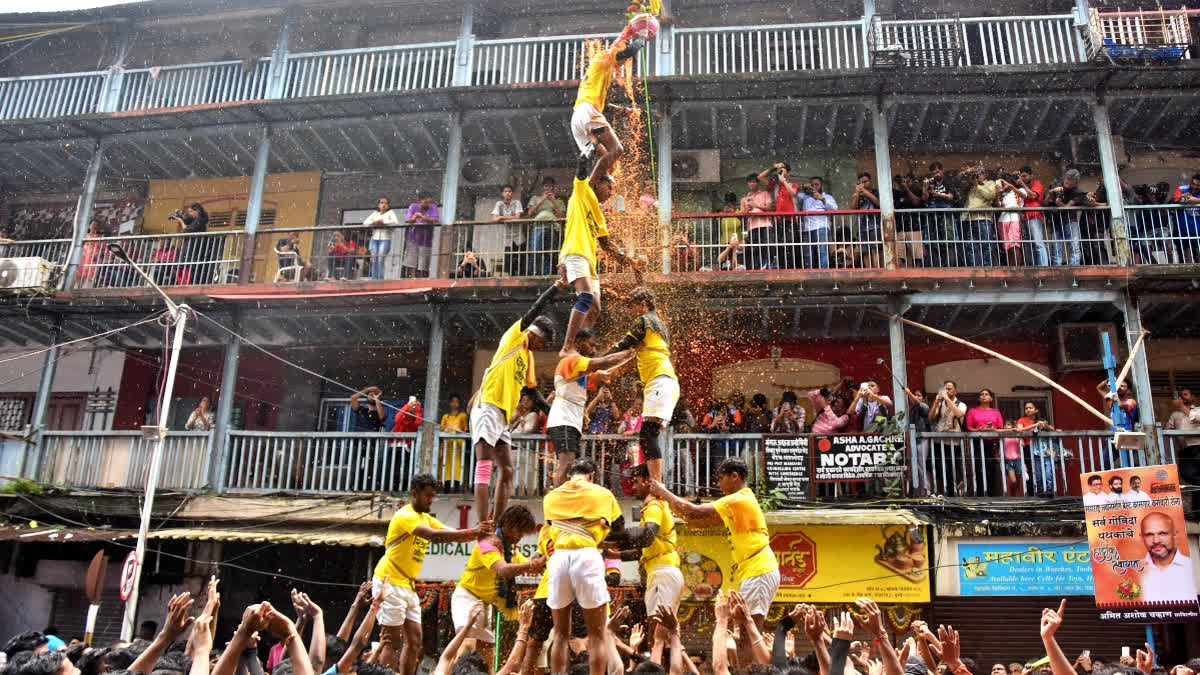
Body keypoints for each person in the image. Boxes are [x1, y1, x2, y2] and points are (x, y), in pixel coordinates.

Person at [373, 473, 494, 675]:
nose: (431, 500)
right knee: (391, 641)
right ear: (414, 494)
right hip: (389, 581)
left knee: (415, 642)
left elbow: (452, 535)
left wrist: (477, 533)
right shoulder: (406, 515)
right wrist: (473, 532)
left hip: (407, 585)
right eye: (428, 496)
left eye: (433, 496)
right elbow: (435, 536)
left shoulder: (426, 518)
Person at [650, 457, 778, 633]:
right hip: (754, 571)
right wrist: (671, 506)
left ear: (734, 476)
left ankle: (757, 662)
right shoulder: (737, 503)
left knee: (750, 633)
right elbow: (695, 521)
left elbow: (692, 511)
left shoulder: (738, 499)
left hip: (759, 570)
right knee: (744, 633)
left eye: (720, 479)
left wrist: (662, 492)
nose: (718, 484)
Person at [469, 280, 560, 525]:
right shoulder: (515, 337)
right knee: (485, 465)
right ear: (534, 333)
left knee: (507, 470)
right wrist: (556, 287)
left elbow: (533, 393)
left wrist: (553, 413)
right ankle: (482, 522)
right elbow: (535, 309)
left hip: (502, 417)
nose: (543, 347)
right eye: (543, 342)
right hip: (488, 406)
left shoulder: (528, 358)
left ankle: (496, 520)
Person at [542, 458, 623, 675]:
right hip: (587, 555)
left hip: (559, 558)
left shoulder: (551, 496)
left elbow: (555, 526)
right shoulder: (602, 493)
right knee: (597, 634)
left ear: (569, 476)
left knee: (560, 634)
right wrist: (602, 526)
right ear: (592, 476)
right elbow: (620, 527)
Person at [558, 145, 636, 358]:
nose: (611, 194)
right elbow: (590, 167)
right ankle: (567, 347)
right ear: (599, 182)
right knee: (585, 298)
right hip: (575, 253)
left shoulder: (600, 216)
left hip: (589, 263)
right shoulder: (583, 193)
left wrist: (631, 262)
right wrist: (592, 149)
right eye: (610, 188)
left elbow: (608, 246)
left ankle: (582, 347)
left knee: (595, 309)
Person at [604, 287, 679, 483]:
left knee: (647, 435)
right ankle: (655, 483)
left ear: (643, 304)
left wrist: (595, 362)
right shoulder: (658, 322)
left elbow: (623, 344)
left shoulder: (644, 320)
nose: (629, 311)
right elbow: (634, 352)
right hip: (662, 381)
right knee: (648, 435)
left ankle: (656, 484)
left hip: (659, 381)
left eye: (632, 306)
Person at [548, 327, 634, 487]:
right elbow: (604, 362)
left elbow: (607, 371)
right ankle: (558, 501)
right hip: (563, 420)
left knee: (571, 463)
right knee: (566, 463)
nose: (594, 350)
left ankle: (567, 497)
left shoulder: (581, 374)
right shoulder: (571, 361)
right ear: (579, 343)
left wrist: (626, 360)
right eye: (591, 345)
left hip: (572, 421)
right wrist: (629, 351)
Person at [610, 464, 682, 654]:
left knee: (656, 634)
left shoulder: (654, 505)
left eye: (635, 482)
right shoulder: (655, 506)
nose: (632, 487)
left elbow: (647, 535)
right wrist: (615, 553)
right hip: (660, 572)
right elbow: (642, 549)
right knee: (660, 634)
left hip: (663, 573)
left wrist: (613, 536)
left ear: (647, 481)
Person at [452, 505, 545, 641]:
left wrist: (542, 562)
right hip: (467, 599)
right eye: (519, 531)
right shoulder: (488, 543)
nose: (520, 536)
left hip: (485, 605)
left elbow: (527, 565)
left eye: (523, 533)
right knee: (467, 644)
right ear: (507, 524)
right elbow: (504, 570)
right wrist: (532, 564)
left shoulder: (509, 550)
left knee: (489, 657)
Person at [570, 23, 644, 161]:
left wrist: (623, 110)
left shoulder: (601, 70)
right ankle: (592, 172)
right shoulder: (604, 58)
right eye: (623, 60)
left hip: (578, 118)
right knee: (616, 150)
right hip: (587, 112)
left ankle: (592, 172)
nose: (623, 63)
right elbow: (629, 51)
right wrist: (644, 37)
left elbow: (605, 106)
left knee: (603, 159)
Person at [1139, 512, 1195, 603]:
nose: (1156, 541)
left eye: (1162, 533)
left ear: (1175, 535)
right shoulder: (1134, 571)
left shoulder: (1192, 566)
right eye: (1149, 534)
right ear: (1142, 538)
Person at [965, 388, 1004, 496]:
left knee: (992, 470)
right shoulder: (973, 411)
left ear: (991, 398)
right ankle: (980, 494)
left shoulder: (995, 412)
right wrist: (979, 430)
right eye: (982, 394)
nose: (984, 396)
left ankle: (993, 494)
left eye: (986, 394)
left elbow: (1000, 427)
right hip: (978, 443)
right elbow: (969, 428)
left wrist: (992, 430)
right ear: (979, 398)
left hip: (992, 444)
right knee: (979, 469)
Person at [1016, 401, 1057, 497]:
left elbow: (1052, 429)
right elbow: (1019, 430)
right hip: (1028, 447)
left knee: (1044, 469)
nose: (1028, 410)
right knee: (1030, 471)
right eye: (1026, 408)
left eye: (1030, 407)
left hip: (1042, 448)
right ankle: (1032, 493)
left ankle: (1047, 490)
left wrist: (1044, 425)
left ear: (1036, 410)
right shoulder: (1022, 420)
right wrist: (1035, 425)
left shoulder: (1041, 420)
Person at [528, 177, 567, 276]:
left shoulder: (558, 201)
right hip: (538, 228)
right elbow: (530, 213)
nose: (548, 188)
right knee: (536, 251)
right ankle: (535, 273)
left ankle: (547, 273)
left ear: (553, 187)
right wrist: (542, 200)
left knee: (550, 253)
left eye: (550, 186)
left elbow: (561, 216)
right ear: (542, 187)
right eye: (546, 186)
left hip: (553, 228)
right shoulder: (535, 198)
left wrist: (553, 201)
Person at [1166, 388, 1200, 485]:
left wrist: (1181, 406)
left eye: (1185, 394)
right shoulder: (1175, 414)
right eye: (1181, 395)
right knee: (1187, 474)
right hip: (1185, 449)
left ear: (1193, 397)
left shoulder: (1198, 409)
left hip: (1198, 446)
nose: (1182, 397)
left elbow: (1197, 418)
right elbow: (1168, 429)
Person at [741, 175, 775, 270]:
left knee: (768, 245)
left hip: (765, 224)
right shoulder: (744, 199)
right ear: (747, 184)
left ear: (758, 183)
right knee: (754, 248)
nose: (752, 183)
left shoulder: (765, 194)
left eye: (754, 181)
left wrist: (757, 206)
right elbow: (742, 215)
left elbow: (770, 208)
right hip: (752, 226)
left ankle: (769, 264)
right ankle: (756, 267)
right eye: (750, 182)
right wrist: (747, 210)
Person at [493, 185, 527, 276]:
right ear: (502, 193)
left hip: (518, 236)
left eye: (510, 191)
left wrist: (501, 217)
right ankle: (511, 276)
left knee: (520, 258)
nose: (508, 193)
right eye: (505, 191)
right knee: (508, 259)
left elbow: (517, 217)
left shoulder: (516, 203)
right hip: (507, 237)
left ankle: (521, 277)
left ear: (512, 193)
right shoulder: (499, 204)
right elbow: (494, 219)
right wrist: (502, 218)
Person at [903, 387, 932, 496]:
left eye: (919, 395)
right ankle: (918, 490)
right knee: (914, 466)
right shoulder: (912, 409)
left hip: (922, 440)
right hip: (914, 441)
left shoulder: (924, 406)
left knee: (921, 465)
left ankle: (927, 490)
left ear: (924, 398)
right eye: (915, 394)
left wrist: (909, 393)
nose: (916, 397)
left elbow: (917, 402)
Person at [403, 193, 439, 278]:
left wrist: (423, 217)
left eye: (428, 202)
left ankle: (422, 280)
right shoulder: (413, 206)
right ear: (419, 201)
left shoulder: (433, 207)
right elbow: (408, 220)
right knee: (411, 262)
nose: (427, 204)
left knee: (424, 263)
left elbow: (436, 220)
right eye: (425, 202)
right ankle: (412, 279)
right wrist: (414, 217)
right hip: (413, 238)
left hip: (426, 240)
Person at [363, 197, 398, 280]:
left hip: (385, 239)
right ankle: (374, 278)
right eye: (382, 203)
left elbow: (395, 222)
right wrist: (374, 222)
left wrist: (384, 222)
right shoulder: (375, 214)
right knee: (374, 259)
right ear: (378, 205)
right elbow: (365, 223)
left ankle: (380, 278)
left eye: (386, 203)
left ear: (388, 205)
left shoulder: (390, 213)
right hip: (374, 239)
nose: (384, 205)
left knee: (380, 259)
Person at [439, 394, 469, 489]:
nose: (454, 404)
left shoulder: (462, 416)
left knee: (457, 466)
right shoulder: (445, 417)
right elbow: (440, 431)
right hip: (447, 445)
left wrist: (459, 431)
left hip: (458, 446)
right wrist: (445, 431)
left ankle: (456, 487)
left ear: (459, 404)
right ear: (449, 403)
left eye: (456, 402)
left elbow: (466, 430)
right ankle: (446, 486)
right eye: (452, 401)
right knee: (445, 466)